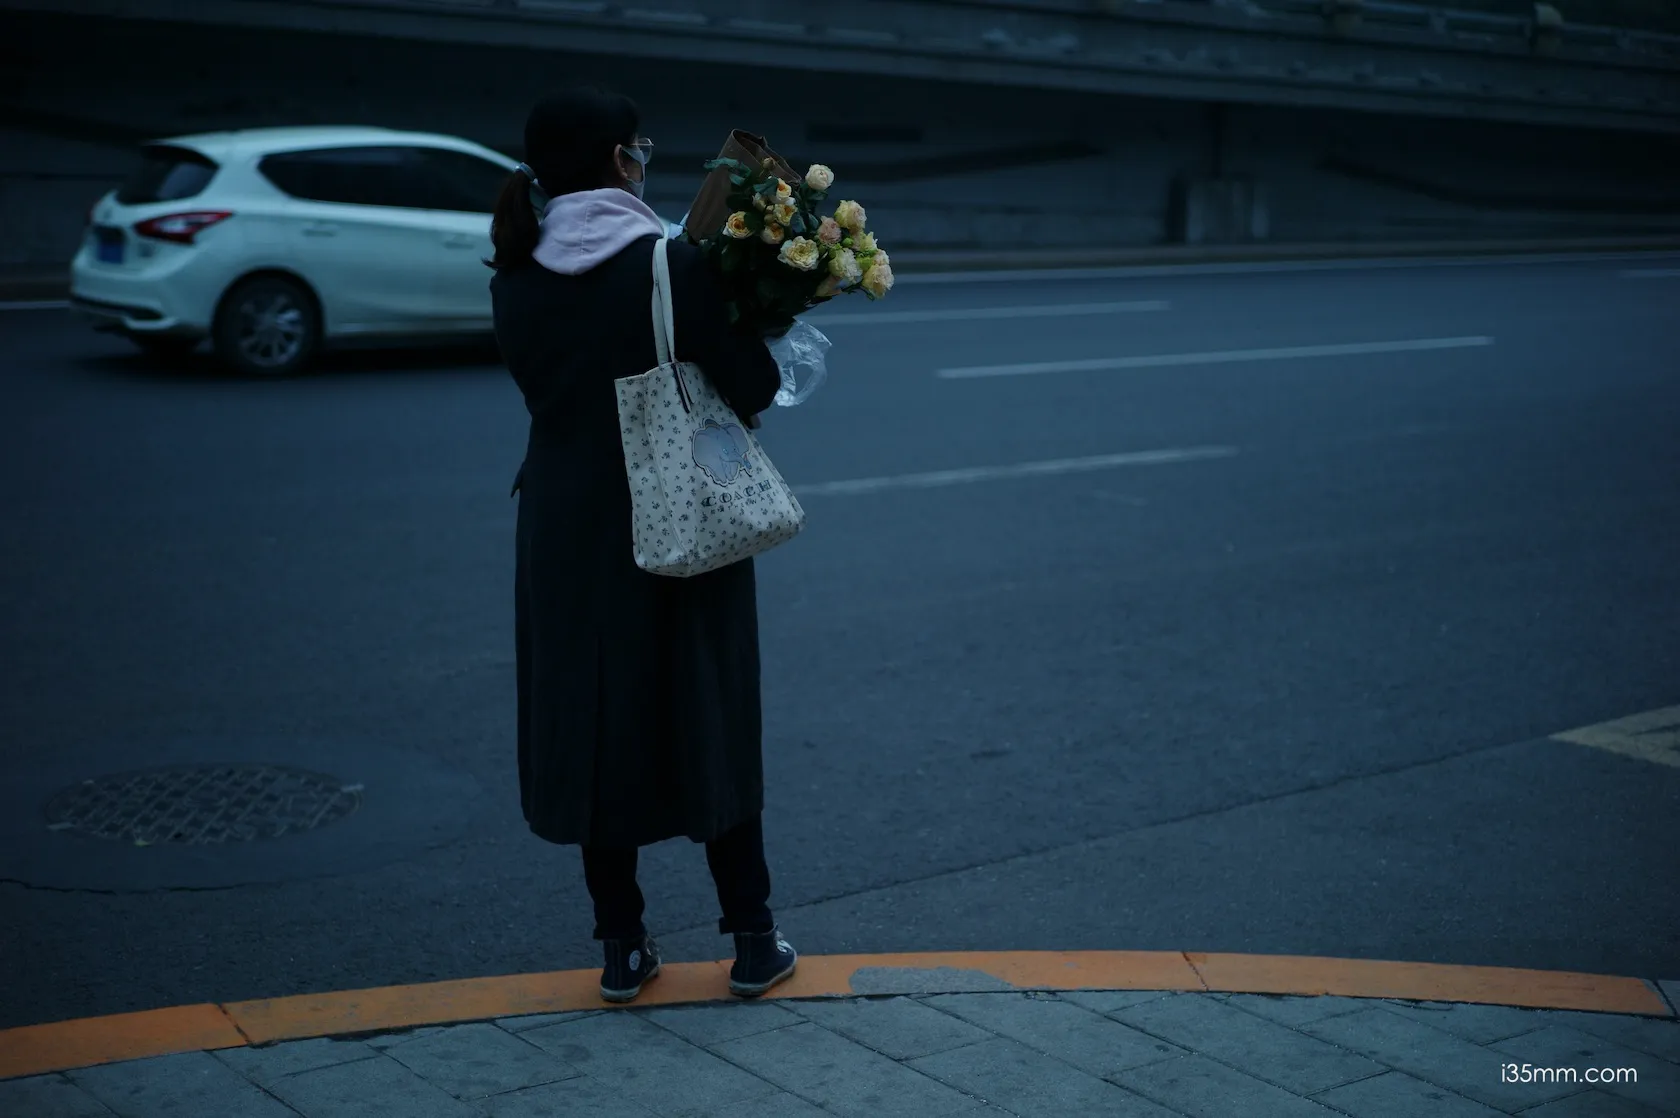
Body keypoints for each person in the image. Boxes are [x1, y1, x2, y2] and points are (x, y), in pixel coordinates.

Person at [488, 87, 795, 1003]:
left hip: (562, 529)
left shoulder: (513, 270)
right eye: (640, 149)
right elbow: (754, 389)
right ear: (623, 162)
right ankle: (752, 939)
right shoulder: (670, 264)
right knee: (707, 712)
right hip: (675, 519)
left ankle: (622, 948)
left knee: (590, 723)